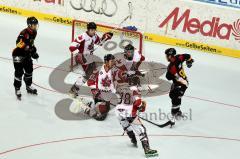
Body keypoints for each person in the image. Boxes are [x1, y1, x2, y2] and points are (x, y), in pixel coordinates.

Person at [115, 71, 158, 158]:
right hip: (130, 113)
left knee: (126, 125)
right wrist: (142, 106)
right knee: (142, 130)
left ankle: (133, 140)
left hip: (119, 112)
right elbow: (137, 103)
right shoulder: (135, 90)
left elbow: (118, 99)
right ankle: (147, 150)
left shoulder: (121, 87)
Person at [69, 22, 113, 97]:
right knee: (89, 74)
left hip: (89, 58)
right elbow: (72, 47)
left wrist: (105, 37)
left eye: (94, 30)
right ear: (88, 30)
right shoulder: (82, 37)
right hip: (82, 58)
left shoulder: (94, 36)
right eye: (92, 30)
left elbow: (99, 42)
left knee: (89, 75)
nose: (94, 31)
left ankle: (74, 89)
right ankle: (75, 90)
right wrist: (79, 54)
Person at [71, 54, 116, 121]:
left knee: (105, 110)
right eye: (112, 61)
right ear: (106, 62)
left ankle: (89, 103)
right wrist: (99, 93)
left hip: (106, 96)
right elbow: (90, 83)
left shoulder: (113, 70)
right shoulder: (99, 70)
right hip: (99, 95)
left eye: (114, 61)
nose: (113, 63)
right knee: (100, 117)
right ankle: (82, 105)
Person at [12, 16, 39, 100]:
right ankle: (17, 88)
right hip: (18, 54)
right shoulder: (24, 33)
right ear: (29, 25)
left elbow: (30, 43)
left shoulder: (34, 32)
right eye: (34, 25)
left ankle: (28, 85)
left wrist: (33, 50)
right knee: (19, 72)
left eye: (36, 24)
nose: (35, 26)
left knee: (29, 70)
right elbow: (18, 43)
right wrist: (29, 49)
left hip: (26, 54)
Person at [165, 48, 194, 118]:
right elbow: (187, 56)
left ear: (170, 56)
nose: (166, 57)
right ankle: (176, 111)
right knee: (173, 95)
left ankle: (175, 112)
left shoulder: (171, 67)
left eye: (167, 55)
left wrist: (169, 72)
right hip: (182, 82)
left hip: (182, 84)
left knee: (175, 96)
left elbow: (169, 77)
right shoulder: (178, 57)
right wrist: (189, 62)